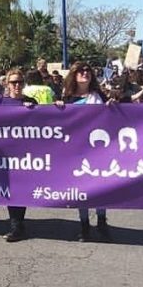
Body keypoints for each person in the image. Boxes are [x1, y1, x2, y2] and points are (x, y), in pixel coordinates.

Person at [58, 62, 111, 242]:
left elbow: (112, 116)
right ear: (74, 75)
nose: (85, 73)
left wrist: (112, 106)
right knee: (82, 187)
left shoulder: (99, 96)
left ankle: (102, 222)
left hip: (98, 148)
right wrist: (57, 107)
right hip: (78, 149)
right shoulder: (68, 99)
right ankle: (84, 224)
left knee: (100, 186)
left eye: (88, 70)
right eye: (81, 71)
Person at [0, 68, 38, 242]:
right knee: (9, 189)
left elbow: (45, 123)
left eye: (20, 82)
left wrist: (33, 110)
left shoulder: (30, 101)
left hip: (24, 155)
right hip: (4, 155)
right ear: (7, 84)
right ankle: (16, 223)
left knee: (20, 189)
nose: (17, 85)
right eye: (13, 82)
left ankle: (17, 224)